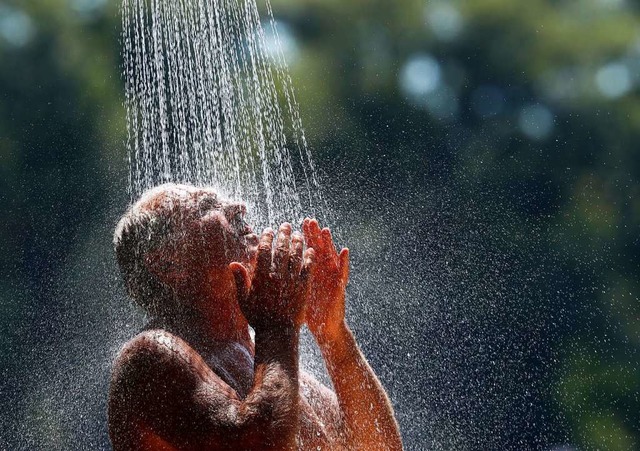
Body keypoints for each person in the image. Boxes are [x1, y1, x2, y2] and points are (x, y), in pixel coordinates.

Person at [108, 183, 403, 450]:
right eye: (207, 206)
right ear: (169, 263)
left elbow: (380, 446)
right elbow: (259, 445)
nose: (239, 207)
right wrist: (277, 326)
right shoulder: (150, 357)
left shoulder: (266, 362)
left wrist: (333, 335)